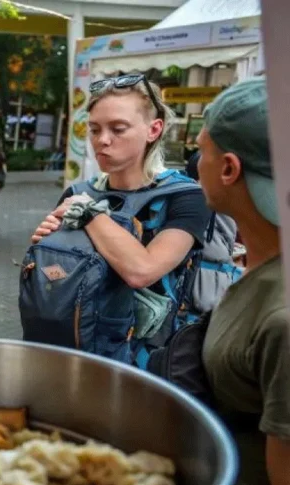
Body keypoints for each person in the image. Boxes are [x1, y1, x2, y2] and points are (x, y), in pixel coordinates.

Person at [27, 74, 212, 360]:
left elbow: (142, 270)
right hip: (71, 349)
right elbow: (53, 280)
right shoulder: (78, 192)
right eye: (94, 129)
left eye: (118, 129)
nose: (102, 140)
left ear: (154, 129)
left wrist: (88, 212)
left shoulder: (186, 197)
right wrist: (47, 249)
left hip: (146, 362)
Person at [196, 78, 290, 485]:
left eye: (202, 150)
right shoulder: (259, 262)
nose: (197, 164)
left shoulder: (282, 317)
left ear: (229, 168)